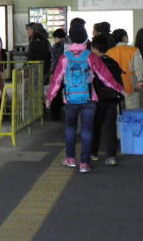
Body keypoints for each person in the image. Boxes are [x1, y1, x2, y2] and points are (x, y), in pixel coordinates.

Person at [46, 24, 124, 173]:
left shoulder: (64, 57)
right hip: (89, 99)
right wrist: (120, 89)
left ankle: (70, 159)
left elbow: (56, 80)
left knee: (70, 129)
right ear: (85, 38)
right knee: (87, 131)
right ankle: (84, 163)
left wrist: (50, 98)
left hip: (69, 99)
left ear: (70, 38)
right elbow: (106, 77)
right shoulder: (91, 56)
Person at [90, 34, 124, 167]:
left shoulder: (93, 63)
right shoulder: (113, 62)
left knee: (96, 126)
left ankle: (93, 153)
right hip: (112, 99)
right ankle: (111, 156)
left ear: (95, 48)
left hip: (97, 99)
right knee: (111, 127)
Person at [107, 28, 143, 110]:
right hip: (130, 83)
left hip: (115, 85)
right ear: (124, 37)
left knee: (117, 110)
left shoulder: (109, 52)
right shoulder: (133, 50)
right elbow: (138, 67)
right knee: (132, 109)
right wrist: (140, 80)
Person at [49, 28, 67, 121]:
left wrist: (52, 73)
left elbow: (54, 61)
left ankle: (56, 115)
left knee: (56, 93)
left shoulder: (56, 46)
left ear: (56, 37)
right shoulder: (69, 45)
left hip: (58, 73)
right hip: (68, 73)